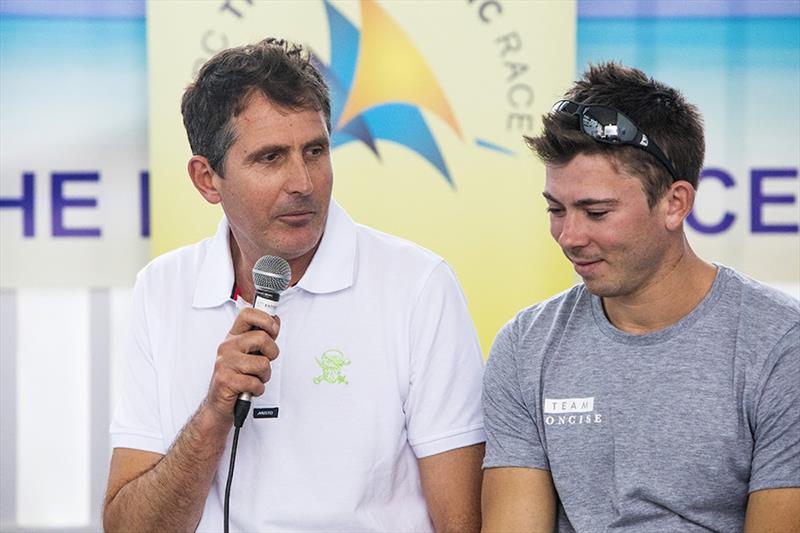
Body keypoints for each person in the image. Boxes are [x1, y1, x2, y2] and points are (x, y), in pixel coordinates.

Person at [103, 38, 485, 532]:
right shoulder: (162, 288)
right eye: (270, 158)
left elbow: (464, 523)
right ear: (206, 179)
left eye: (316, 150)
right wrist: (215, 412)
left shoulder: (418, 285)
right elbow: (128, 527)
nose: (303, 182)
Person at [481, 62, 800, 532]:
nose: (569, 235)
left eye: (596, 212)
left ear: (675, 203)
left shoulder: (780, 346)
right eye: (556, 209)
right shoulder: (525, 346)